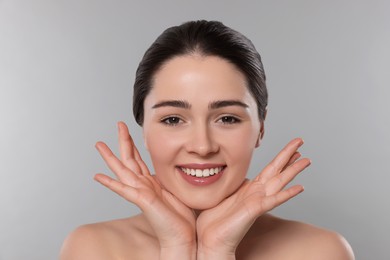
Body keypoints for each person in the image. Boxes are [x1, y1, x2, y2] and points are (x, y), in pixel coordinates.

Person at [60, 20, 354, 259]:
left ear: (260, 128)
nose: (202, 147)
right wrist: (177, 248)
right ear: (145, 131)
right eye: (173, 119)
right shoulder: (93, 249)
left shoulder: (320, 251)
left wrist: (217, 251)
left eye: (227, 118)